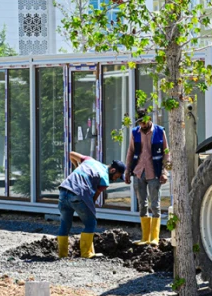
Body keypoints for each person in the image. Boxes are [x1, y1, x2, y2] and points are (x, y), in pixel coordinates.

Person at [56, 152, 125, 259]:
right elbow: (92, 201)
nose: (116, 179)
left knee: (65, 224)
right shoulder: (104, 179)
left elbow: (71, 154)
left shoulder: (89, 160)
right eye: (117, 176)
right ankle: (86, 253)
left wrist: (77, 168)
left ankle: (62, 255)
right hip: (78, 194)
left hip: (63, 190)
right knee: (91, 223)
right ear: (113, 170)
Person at [124, 109, 169, 245]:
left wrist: (164, 171)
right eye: (140, 122)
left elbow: (166, 153)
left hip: (154, 172)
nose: (142, 124)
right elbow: (130, 152)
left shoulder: (160, 131)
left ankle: (154, 238)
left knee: (155, 205)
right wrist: (127, 171)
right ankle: (145, 237)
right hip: (139, 172)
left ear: (149, 119)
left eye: (144, 121)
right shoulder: (135, 133)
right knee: (142, 205)